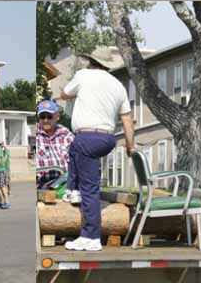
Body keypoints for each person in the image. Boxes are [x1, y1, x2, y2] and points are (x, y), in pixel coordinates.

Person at [59, 54, 135, 252]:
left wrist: (72, 91)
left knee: (90, 189)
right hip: (107, 139)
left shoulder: (84, 75)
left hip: (88, 138)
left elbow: (65, 93)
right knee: (73, 148)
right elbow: (127, 119)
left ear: (91, 64)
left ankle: (91, 236)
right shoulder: (119, 86)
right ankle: (73, 190)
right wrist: (130, 145)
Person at [35, 99, 74, 186]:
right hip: (40, 184)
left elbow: (77, 159)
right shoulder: (35, 134)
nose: (45, 120)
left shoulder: (66, 135)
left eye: (49, 116)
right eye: (42, 116)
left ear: (57, 117)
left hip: (64, 184)